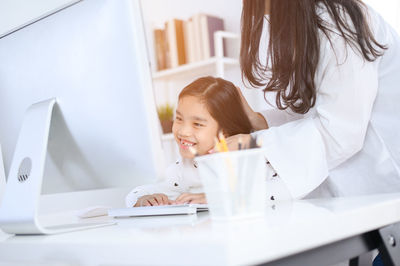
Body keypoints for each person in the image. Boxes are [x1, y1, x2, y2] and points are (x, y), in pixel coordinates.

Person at [225, 0, 400, 200]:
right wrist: (260, 121)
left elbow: (342, 131)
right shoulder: (307, 24)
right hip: (356, 191)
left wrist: (257, 145)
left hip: (386, 185)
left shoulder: (337, 21)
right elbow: (313, 109)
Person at [125, 76, 290, 207]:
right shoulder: (186, 167)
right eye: (179, 119)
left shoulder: (248, 156)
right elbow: (139, 193)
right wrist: (145, 199)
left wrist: (219, 198)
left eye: (197, 124)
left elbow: (286, 188)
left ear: (224, 131)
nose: (183, 131)